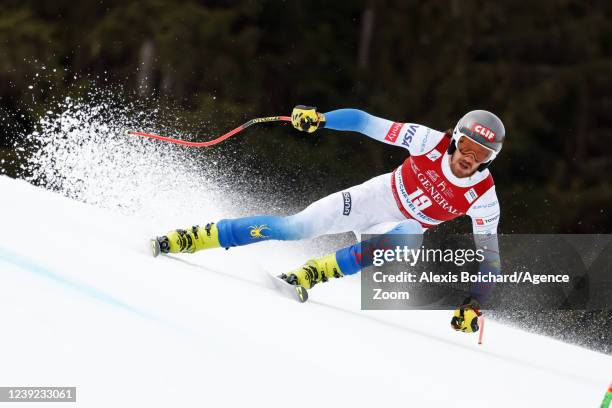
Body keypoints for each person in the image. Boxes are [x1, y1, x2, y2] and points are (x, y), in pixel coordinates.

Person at [151, 106, 505, 333]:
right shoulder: (429, 141)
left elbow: (490, 257)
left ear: (489, 159)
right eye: (466, 147)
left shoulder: (484, 197)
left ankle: (310, 274)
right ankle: (194, 237)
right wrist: (322, 119)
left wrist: (474, 304)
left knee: (411, 235)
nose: (468, 159)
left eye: (481, 154)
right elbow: (366, 122)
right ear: (455, 139)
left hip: (391, 229)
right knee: (295, 227)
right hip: (373, 200)